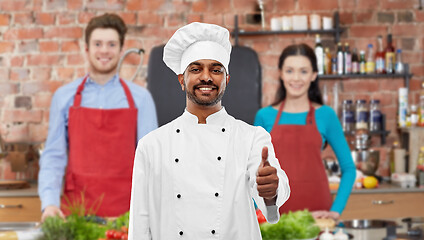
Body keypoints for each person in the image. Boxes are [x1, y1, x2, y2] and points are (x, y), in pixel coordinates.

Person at [128, 22, 290, 239]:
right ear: (181, 80)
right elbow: (140, 221)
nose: (206, 77)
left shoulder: (251, 138)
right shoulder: (152, 145)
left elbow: (271, 192)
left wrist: (271, 189)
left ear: (226, 80)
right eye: (196, 69)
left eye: (216, 70)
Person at [38, 13, 158, 222]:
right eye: (98, 44)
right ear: (87, 49)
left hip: (127, 216)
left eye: (111, 44)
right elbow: (54, 156)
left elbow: (152, 163)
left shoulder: (141, 99)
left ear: (121, 50)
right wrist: (49, 204)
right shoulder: (64, 97)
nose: (104, 50)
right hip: (76, 214)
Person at [254, 43, 356, 220]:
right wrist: (257, 211)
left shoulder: (326, 115)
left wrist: (335, 211)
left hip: (317, 215)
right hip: (276, 214)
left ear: (313, 75)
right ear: (281, 74)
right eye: (290, 71)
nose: (296, 78)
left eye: (303, 71)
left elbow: (349, 168)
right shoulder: (264, 116)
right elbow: (253, 172)